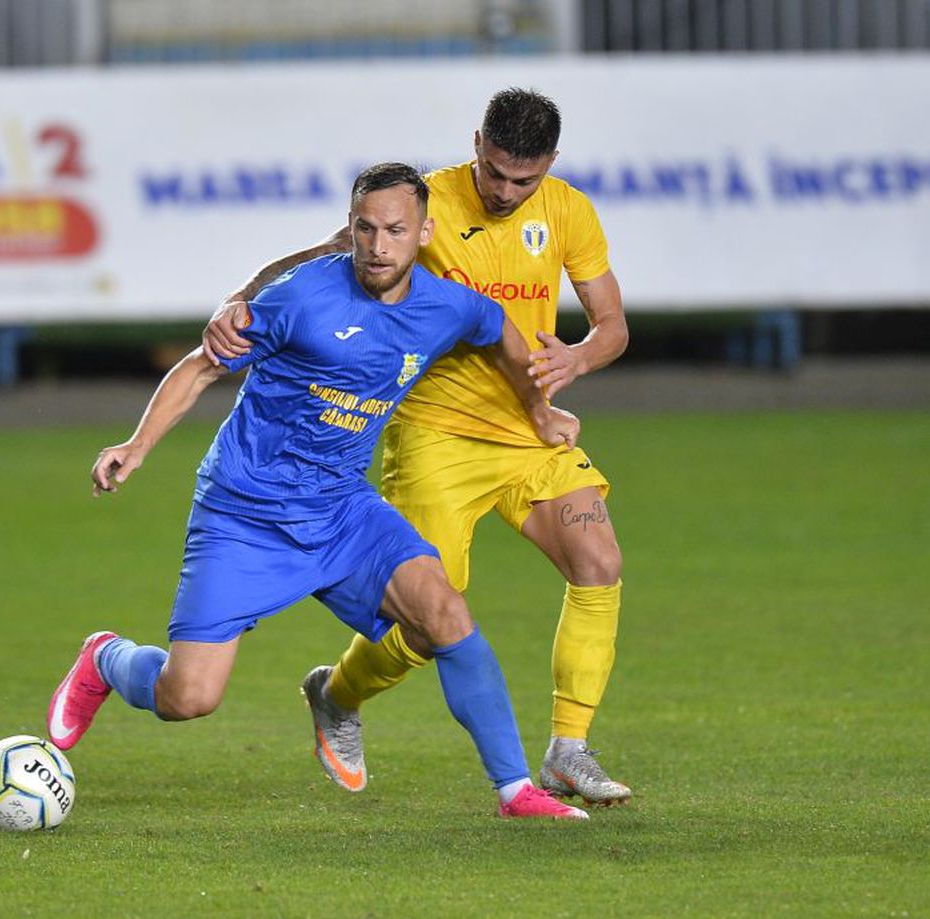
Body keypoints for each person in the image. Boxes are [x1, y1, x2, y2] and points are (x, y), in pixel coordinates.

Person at [47, 163, 589, 820]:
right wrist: (135, 446)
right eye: (365, 228)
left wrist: (537, 407)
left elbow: (499, 329)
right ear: (349, 228)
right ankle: (105, 659)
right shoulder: (303, 298)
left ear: (425, 233)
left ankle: (515, 790)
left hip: (340, 511)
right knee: (187, 697)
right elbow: (199, 368)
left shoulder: (444, 307)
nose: (378, 245)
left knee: (443, 610)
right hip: (244, 514)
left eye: (394, 230)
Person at [203, 89, 631, 805]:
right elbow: (322, 258)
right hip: (434, 434)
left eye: (522, 180)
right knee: (429, 622)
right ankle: (336, 694)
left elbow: (612, 323)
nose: (503, 191)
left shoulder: (568, 211)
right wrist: (234, 301)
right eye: (493, 172)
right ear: (476, 145)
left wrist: (577, 361)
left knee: (601, 560)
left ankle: (568, 749)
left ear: (549, 165)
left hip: (529, 429)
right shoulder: (423, 204)